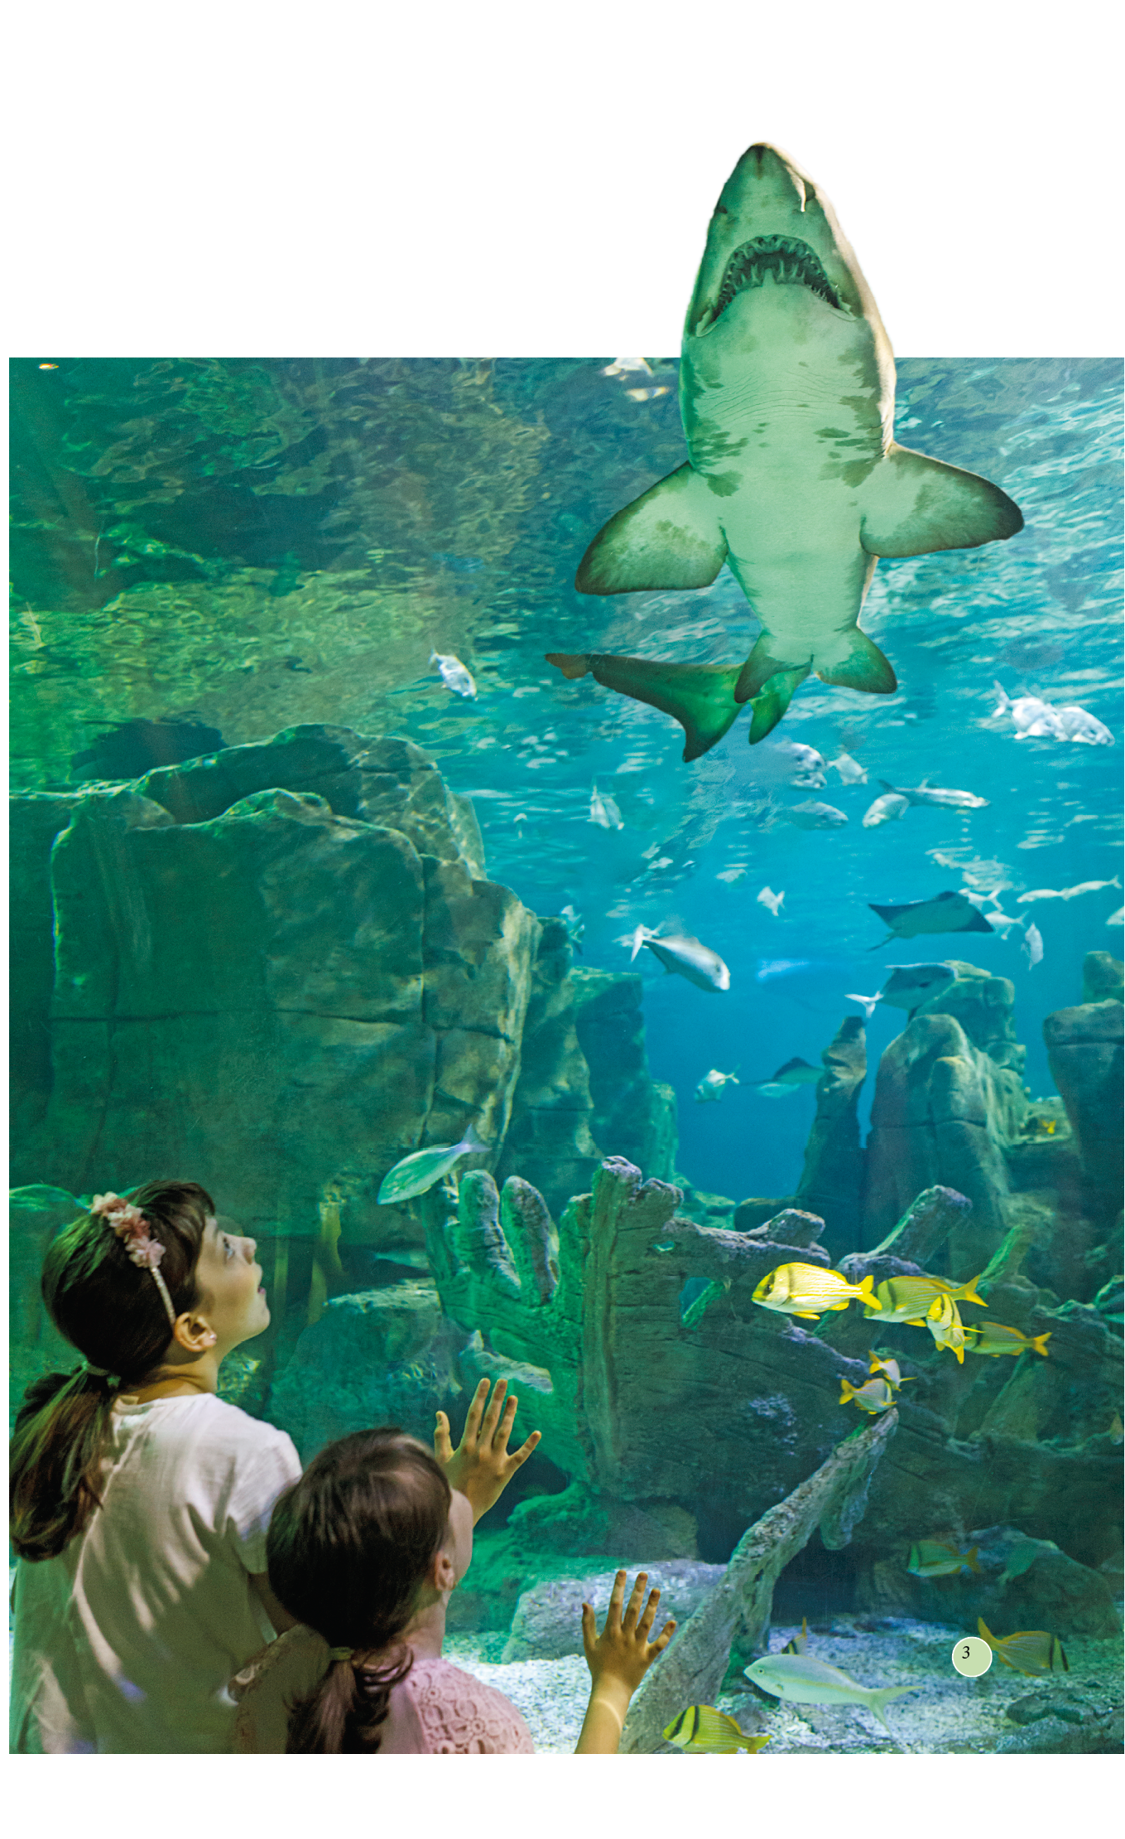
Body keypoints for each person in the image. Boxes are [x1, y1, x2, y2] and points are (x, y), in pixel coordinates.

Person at [9, 1178, 542, 1755]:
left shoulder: (60, 1431)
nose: (252, 1244)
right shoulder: (242, 1450)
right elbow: (338, 1618)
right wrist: (452, 1507)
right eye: (227, 1249)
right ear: (194, 1330)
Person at [230, 1426, 676, 1753]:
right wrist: (612, 1690)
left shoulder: (285, 1669)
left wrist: (436, 1518)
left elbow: (387, 1574)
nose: (459, 1490)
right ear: (440, 1568)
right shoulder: (463, 1718)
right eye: (448, 1496)